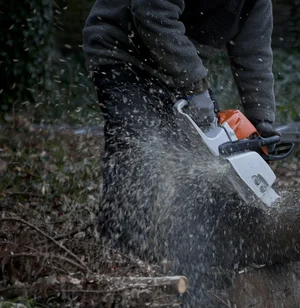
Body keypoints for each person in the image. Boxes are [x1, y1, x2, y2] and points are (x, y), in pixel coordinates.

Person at [81, 0, 281, 261]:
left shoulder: (257, 3)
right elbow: (152, 12)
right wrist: (195, 85)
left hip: (180, 64)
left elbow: (253, 54)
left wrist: (261, 121)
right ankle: (120, 257)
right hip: (124, 52)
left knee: (209, 163)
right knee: (137, 152)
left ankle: (204, 258)